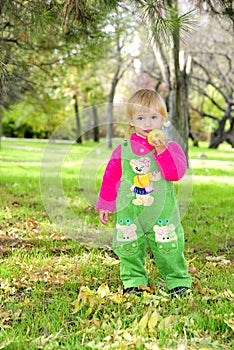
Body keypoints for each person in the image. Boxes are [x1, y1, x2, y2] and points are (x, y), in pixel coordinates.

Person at [96, 88, 192, 297]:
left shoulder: (171, 147)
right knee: (128, 245)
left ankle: (177, 281)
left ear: (163, 119)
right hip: (130, 210)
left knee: (169, 245)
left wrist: (162, 151)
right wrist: (105, 203)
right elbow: (110, 176)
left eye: (153, 117)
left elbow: (175, 173)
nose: (148, 124)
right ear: (131, 121)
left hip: (162, 212)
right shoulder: (123, 148)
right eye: (141, 118)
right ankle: (134, 281)